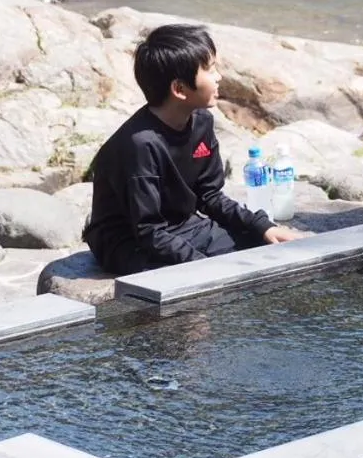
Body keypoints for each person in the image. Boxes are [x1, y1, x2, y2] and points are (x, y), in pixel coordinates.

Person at [85, 23, 301, 275]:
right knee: (202, 278)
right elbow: (148, 230)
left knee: (264, 249)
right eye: (209, 69)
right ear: (179, 89)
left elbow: (210, 196)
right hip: (130, 243)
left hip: (184, 227)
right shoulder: (139, 144)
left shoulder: (202, 122)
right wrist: (202, 265)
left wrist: (263, 226)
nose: (219, 77)